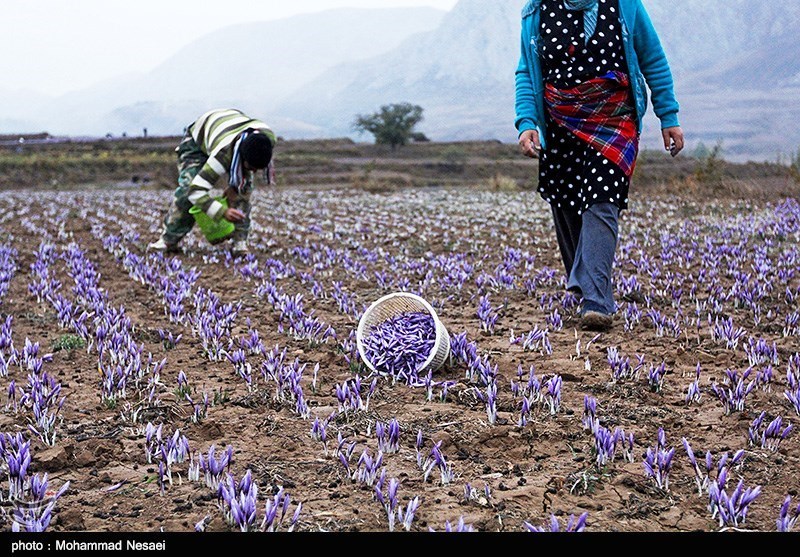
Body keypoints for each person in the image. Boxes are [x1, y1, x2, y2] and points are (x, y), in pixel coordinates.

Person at [515, 0, 684, 331]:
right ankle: (581, 283)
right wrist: (526, 120)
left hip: (614, 119)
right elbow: (526, 69)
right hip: (560, 120)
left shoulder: (625, 5)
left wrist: (669, 115)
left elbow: (653, 58)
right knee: (565, 204)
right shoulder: (536, 11)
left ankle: (596, 300)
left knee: (601, 200)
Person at [148, 108, 276, 255]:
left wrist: (235, 186)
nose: (253, 171)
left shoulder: (267, 140)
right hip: (197, 142)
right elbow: (195, 191)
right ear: (241, 158)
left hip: (229, 132)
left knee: (243, 188)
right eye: (251, 167)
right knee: (186, 191)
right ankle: (168, 240)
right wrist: (222, 212)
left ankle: (240, 242)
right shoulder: (223, 155)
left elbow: (245, 176)